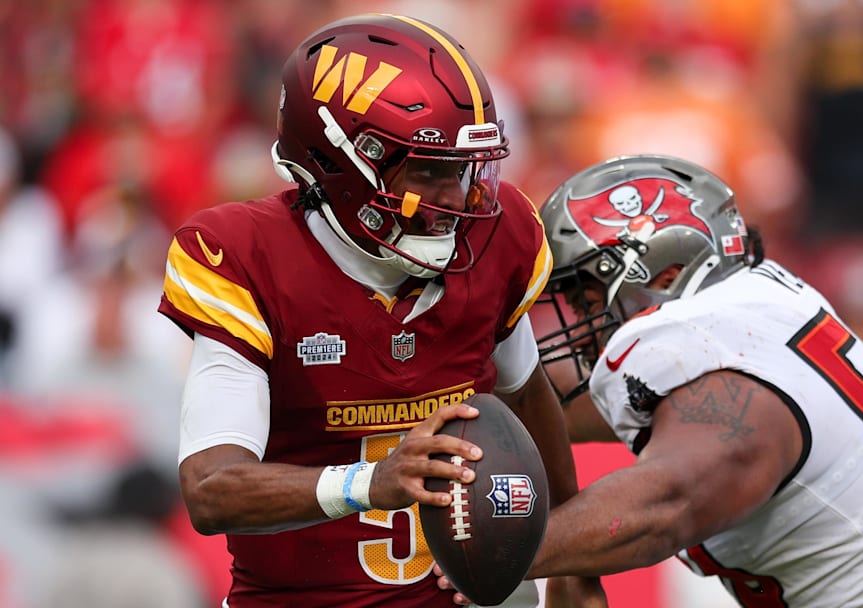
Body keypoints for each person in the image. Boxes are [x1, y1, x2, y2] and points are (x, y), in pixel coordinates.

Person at [439, 154, 863, 606]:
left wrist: (509, 548)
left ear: (662, 278)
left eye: (582, 295)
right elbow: (552, 402)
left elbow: (669, 501)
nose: (572, 321)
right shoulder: (741, 321)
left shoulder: (706, 349)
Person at [157, 14, 603, 608]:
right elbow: (211, 489)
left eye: (466, 171)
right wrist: (371, 482)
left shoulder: (499, 240)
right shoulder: (246, 257)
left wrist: (573, 561)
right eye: (428, 170)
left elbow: (526, 395)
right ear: (341, 162)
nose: (456, 202)